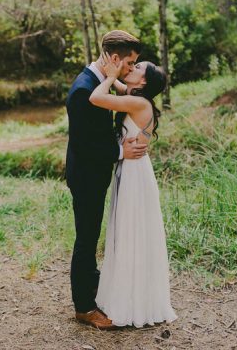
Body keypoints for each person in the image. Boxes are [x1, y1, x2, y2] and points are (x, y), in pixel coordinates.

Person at [65, 30, 147, 330]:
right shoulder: (82, 90)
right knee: (86, 239)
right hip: (86, 176)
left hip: (95, 173)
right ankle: (84, 307)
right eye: (129, 63)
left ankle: (94, 287)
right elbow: (85, 144)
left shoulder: (98, 81)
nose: (130, 70)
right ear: (114, 58)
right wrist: (119, 150)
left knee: (92, 234)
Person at [89, 54, 177, 328]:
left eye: (136, 67)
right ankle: (131, 294)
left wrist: (112, 76)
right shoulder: (136, 96)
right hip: (134, 169)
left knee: (131, 231)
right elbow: (117, 89)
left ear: (143, 81)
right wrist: (113, 66)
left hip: (134, 172)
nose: (132, 67)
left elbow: (96, 97)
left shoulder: (138, 102)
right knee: (131, 230)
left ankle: (131, 302)